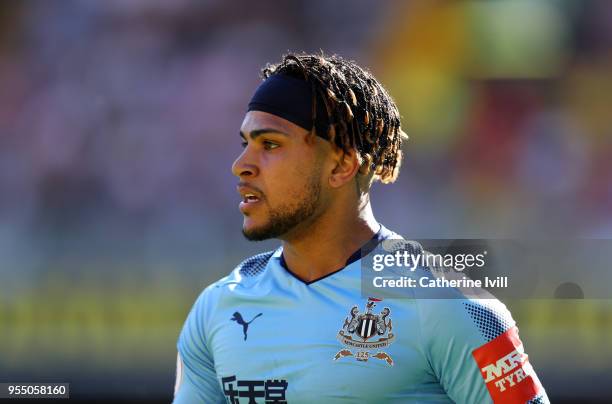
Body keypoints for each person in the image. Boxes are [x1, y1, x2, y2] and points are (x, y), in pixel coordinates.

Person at [172, 53, 549, 403]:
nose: (241, 165)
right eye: (245, 144)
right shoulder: (216, 308)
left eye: (269, 144)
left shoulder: (447, 305)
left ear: (341, 165)